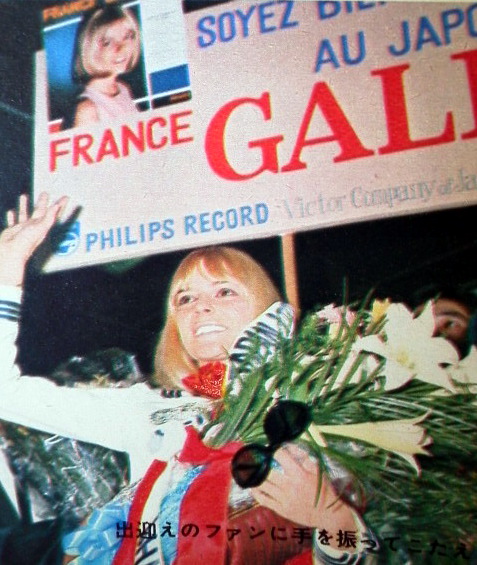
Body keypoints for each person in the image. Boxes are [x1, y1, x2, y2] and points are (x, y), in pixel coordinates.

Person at [0, 193, 363, 564]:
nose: (201, 306)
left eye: (225, 291)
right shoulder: (155, 411)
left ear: (264, 307)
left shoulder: (318, 399)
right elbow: (5, 393)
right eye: (184, 299)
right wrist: (8, 270)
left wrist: (330, 515)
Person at [72, 5, 141, 127]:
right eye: (107, 43)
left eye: (127, 37)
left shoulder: (122, 88)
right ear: (91, 49)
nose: (121, 48)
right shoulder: (87, 110)